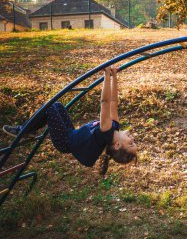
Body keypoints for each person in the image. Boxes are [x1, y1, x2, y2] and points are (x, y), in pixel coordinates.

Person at [3, 66, 137, 174]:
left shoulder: (106, 131)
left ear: (117, 145)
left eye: (131, 144)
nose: (133, 140)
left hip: (65, 141)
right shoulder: (115, 125)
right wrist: (114, 76)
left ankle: (22, 130)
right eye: (134, 143)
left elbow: (105, 102)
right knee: (57, 106)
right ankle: (30, 129)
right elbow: (113, 102)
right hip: (70, 133)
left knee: (50, 108)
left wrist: (107, 76)